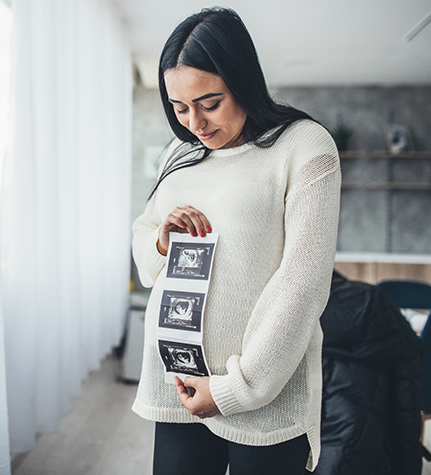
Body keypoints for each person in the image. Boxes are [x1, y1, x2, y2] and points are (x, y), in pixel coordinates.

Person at [131, 7, 341, 475]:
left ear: (243, 80)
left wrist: (233, 390)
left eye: (210, 102)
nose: (195, 124)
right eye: (179, 107)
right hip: (178, 379)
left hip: (259, 394)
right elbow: (143, 234)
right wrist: (162, 243)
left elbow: (302, 284)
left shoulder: (305, 146)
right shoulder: (181, 152)